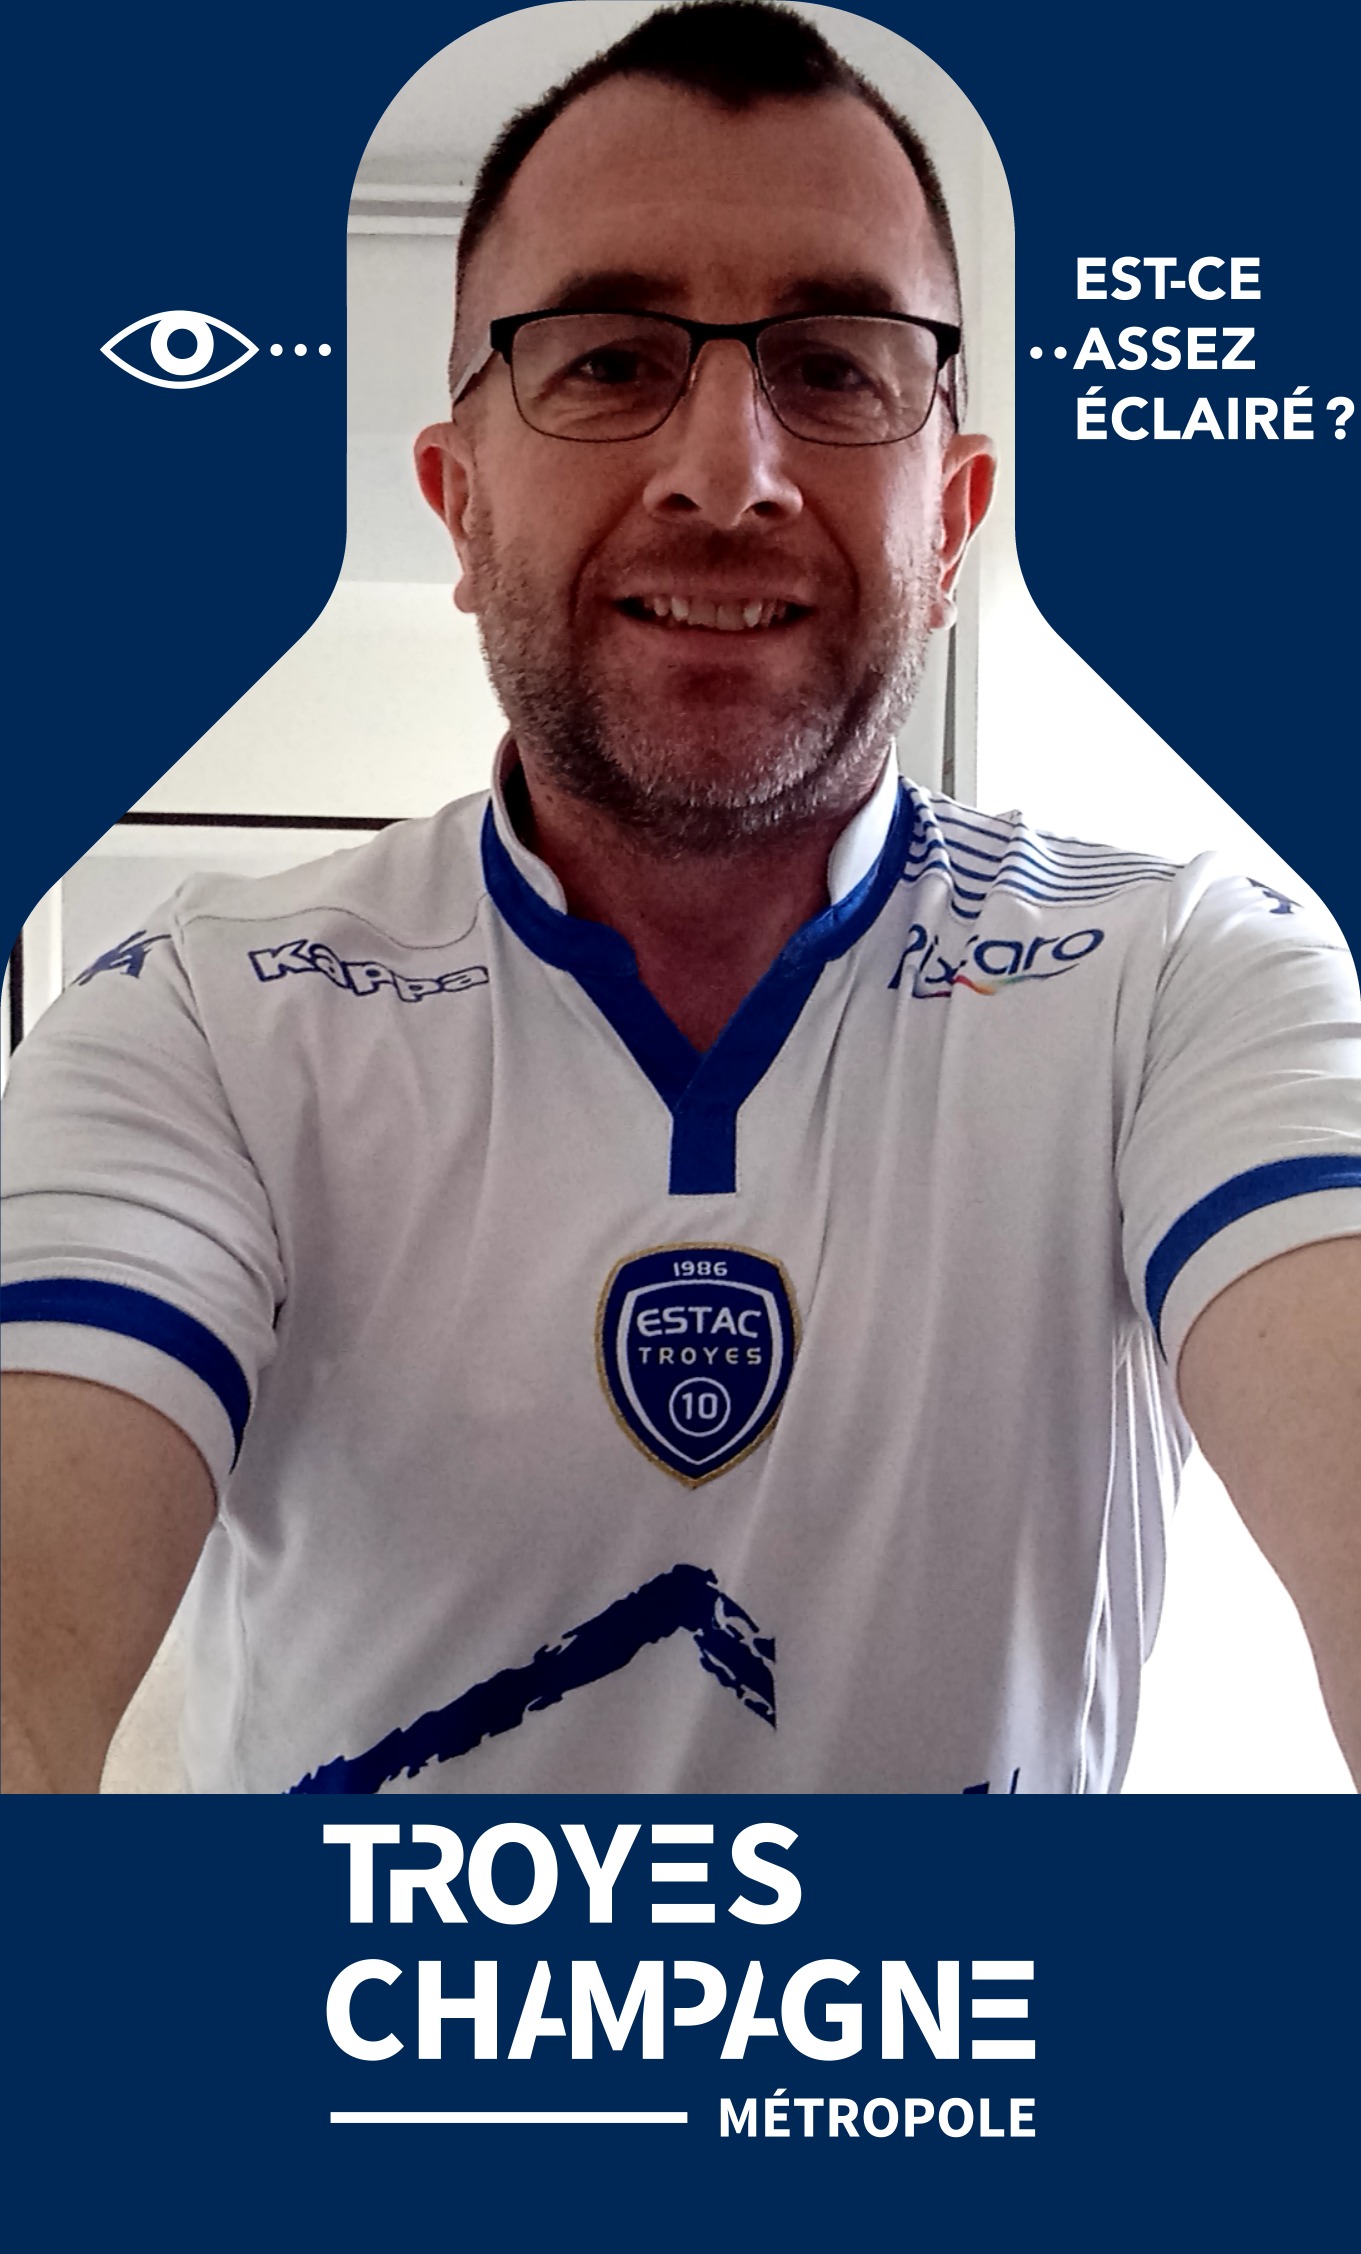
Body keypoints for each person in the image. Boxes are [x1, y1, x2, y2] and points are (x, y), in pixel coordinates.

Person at [2, 1, 1358, 1796]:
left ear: (952, 520)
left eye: (835, 364)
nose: (726, 475)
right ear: (458, 503)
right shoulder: (199, 1016)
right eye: (606, 358)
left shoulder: (1181, 976)